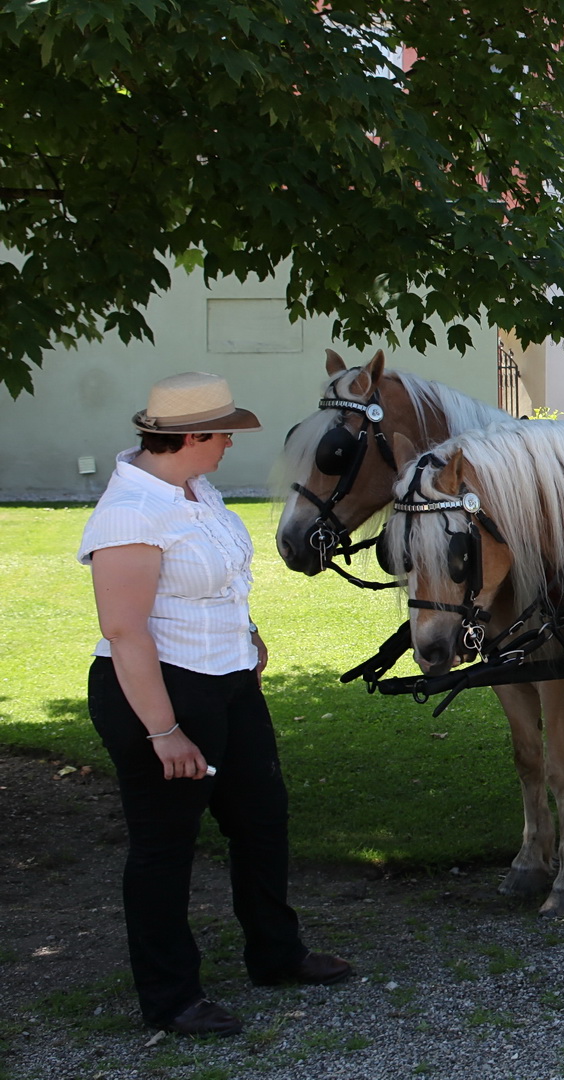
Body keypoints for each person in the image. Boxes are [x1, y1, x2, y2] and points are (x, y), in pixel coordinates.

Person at [79, 372, 352, 1038]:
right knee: (164, 847)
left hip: (227, 682)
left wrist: (247, 632)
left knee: (262, 818)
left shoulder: (195, 491)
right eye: (224, 433)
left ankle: (276, 954)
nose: (230, 443)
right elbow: (125, 631)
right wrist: (164, 731)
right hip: (161, 692)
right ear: (189, 436)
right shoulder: (129, 513)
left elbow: (215, 581)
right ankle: (171, 998)